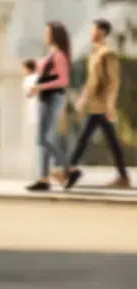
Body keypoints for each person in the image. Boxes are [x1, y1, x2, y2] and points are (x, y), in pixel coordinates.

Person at [63, 18, 131, 190]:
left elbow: (113, 82)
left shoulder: (108, 54)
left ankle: (69, 171)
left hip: (102, 106)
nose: (91, 33)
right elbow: (91, 81)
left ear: (102, 32)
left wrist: (110, 105)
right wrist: (83, 99)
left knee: (84, 139)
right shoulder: (94, 54)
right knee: (107, 141)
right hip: (94, 106)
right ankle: (123, 176)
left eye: (93, 29)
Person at [27, 22, 73, 192]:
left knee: (43, 139)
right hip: (46, 99)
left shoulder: (59, 55)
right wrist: (35, 87)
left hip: (53, 98)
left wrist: (40, 87)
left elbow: (63, 80)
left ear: (55, 35)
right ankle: (43, 179)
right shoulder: (51, 54)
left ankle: (69, 168)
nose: (44, 35)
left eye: (47, 32)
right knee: (43, 140)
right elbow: (46, 77)